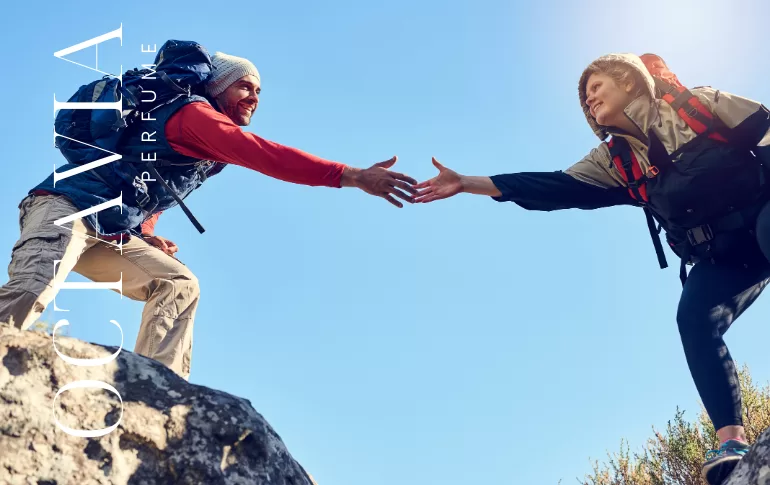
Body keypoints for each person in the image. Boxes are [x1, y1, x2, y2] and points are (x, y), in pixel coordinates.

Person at [413, 53, 770, 484]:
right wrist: (468, 183)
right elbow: (554, 186)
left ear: (630, 81)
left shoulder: (697, 105)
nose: (590, 97)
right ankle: (731, 441)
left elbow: (764, 126)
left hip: (764, 215)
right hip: (725, 254)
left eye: (597, 85)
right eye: (585, 97)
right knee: (693, 318)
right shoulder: (613, 162)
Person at [0, 50, 417, 381]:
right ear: (218, 86)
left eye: (259, 91)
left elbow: (150, 188)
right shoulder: (193, 116)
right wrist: (351, 175)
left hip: (110, 232)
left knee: (178, 283)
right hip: (66, 208)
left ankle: (154, 385)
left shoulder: (201, 142)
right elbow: (265, 156)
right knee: (32, 289)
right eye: (244, 86)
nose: (254, 97)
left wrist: (145, 236)